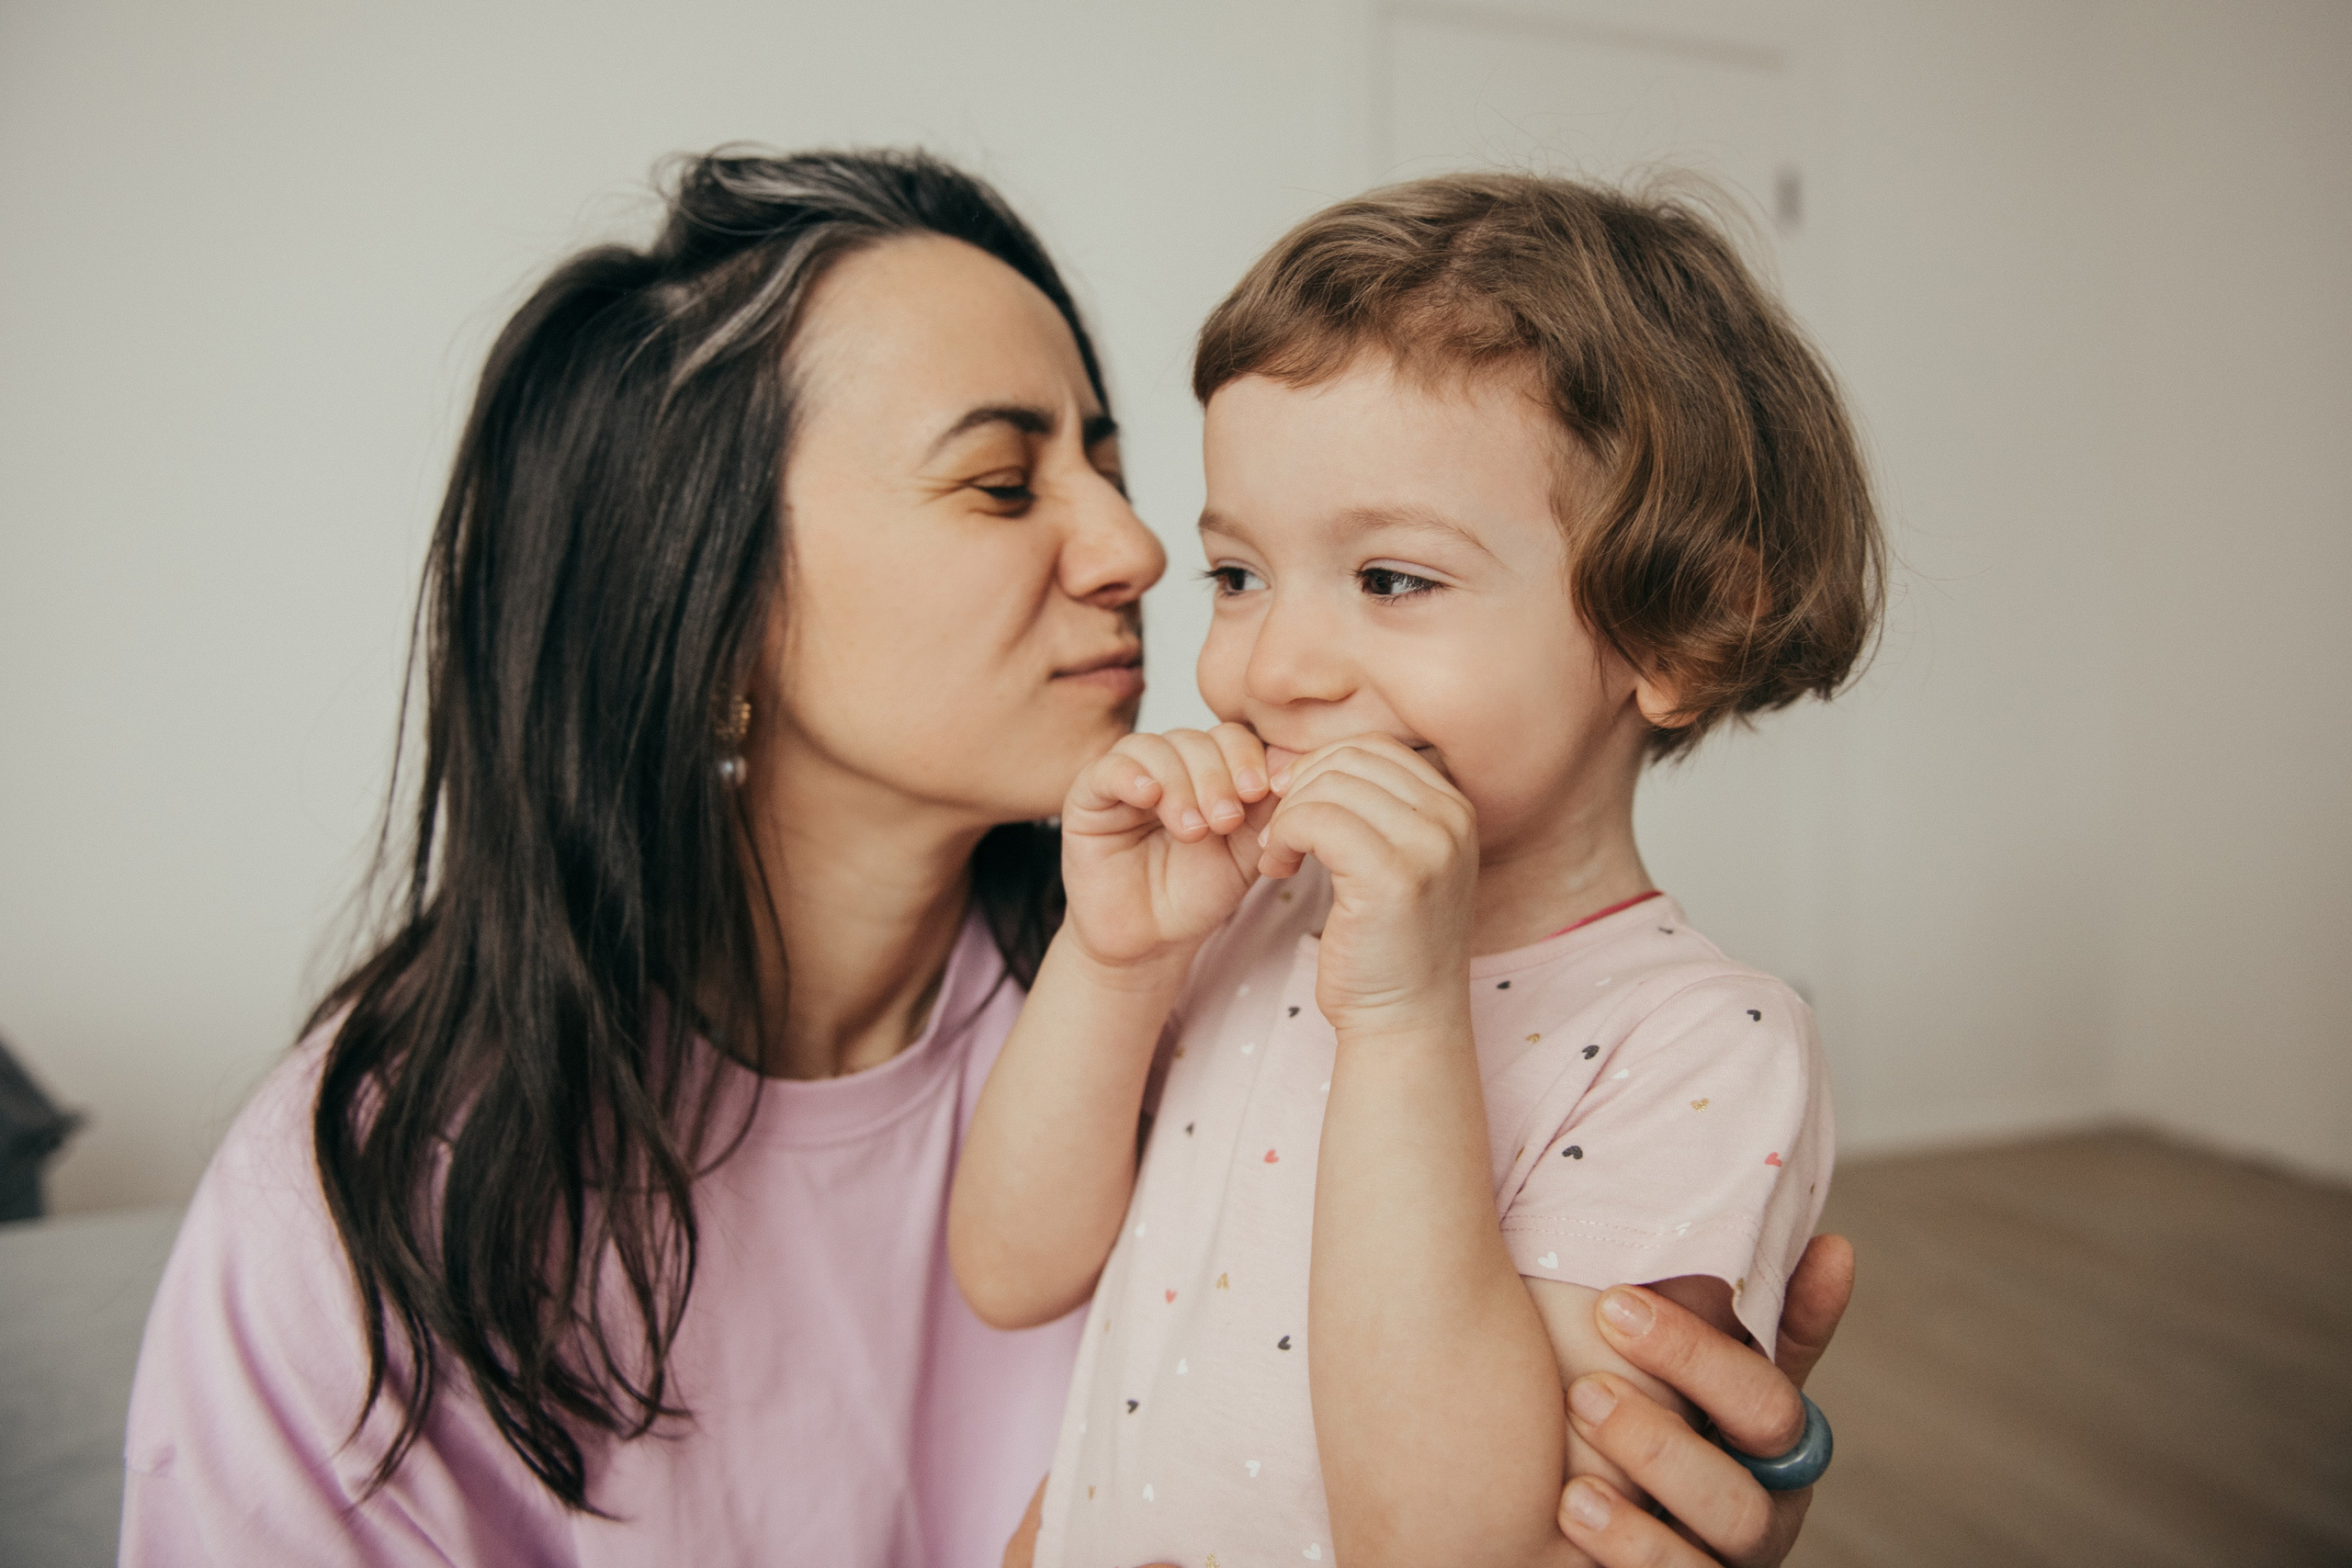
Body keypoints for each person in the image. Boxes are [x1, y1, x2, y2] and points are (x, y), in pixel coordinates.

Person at [119, 148, 1852, 1568]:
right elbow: (1020, 1263)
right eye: (1004, 484)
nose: (1139, 551)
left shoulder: (1214, 945)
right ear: (707, 612)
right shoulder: (365, 1195)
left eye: (1106, 458)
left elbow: (1480, 1509)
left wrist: (1648, 1499)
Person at [950, 172, 1881, 1568]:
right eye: (1239, 576)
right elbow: (1009, 1271)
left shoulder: (1705, 1045)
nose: (1272, 667)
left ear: (1677, 630)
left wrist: (1399, 1016)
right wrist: (1115, 957)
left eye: (1392, 579)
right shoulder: (1246, 916)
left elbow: (1451, 1541)